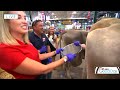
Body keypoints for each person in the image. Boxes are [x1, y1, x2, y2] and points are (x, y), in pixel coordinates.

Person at [0, 11, 76, 79]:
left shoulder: (26, 43)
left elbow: (38, 56)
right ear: (6, 23)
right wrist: (65, 58)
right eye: (18, 18)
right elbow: (43, 69)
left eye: (25, 18)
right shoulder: (6, 49)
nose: (25, 22)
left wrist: (55, 52)